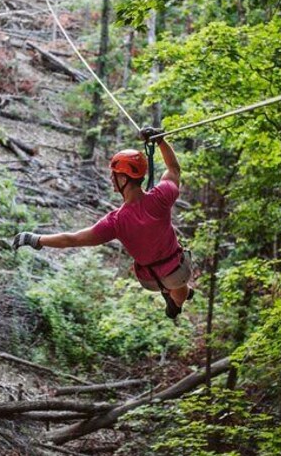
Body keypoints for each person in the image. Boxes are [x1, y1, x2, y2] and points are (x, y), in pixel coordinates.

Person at [12, 127, 194, 319]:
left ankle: (174, 296)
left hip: (149, 279)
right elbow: (174, 169)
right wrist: (161, 141)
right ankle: (176, 300)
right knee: (178, 282)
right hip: (177, 271)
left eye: (113, 175)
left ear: (123, 178)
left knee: (173, 283)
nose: (111, 179)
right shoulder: (161, 196)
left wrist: (37, 239)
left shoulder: (116, 222)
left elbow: (72, 240)